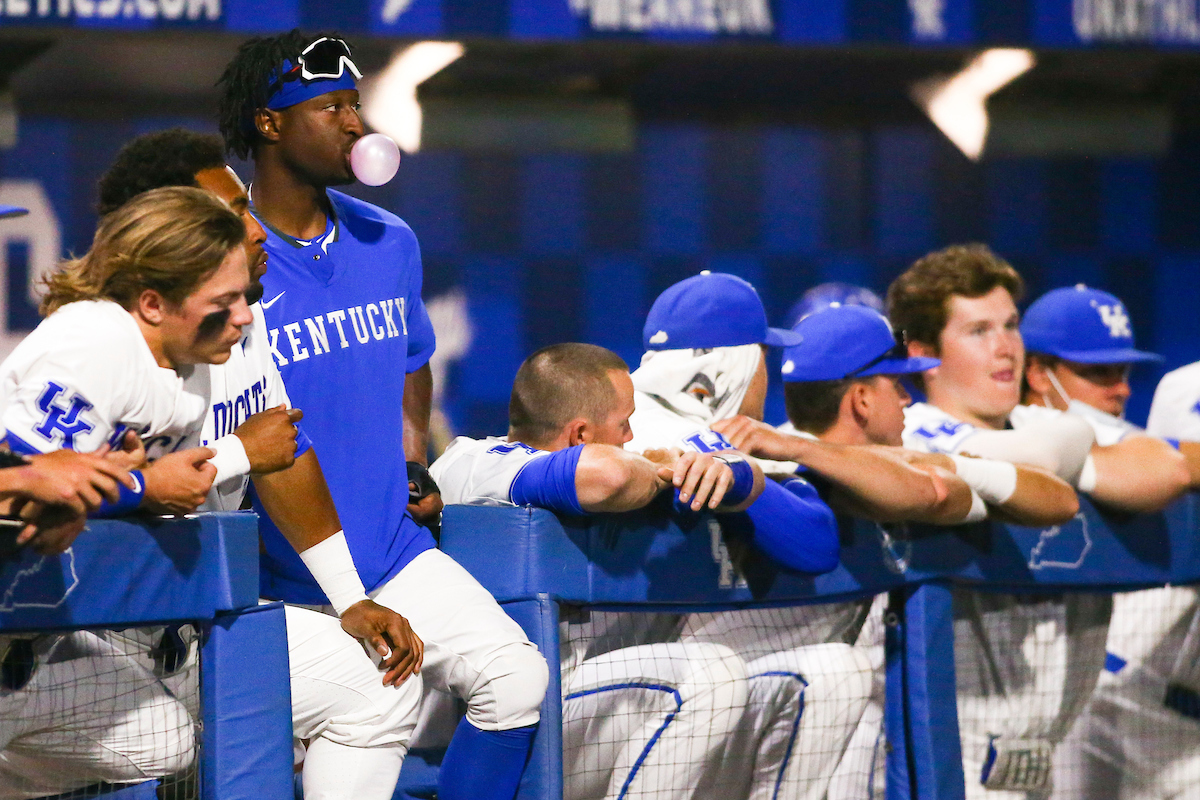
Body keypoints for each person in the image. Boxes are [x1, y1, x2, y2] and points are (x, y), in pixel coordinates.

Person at [218, 31, 548, 800]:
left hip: (393, 550)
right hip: (281, 577)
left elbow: (412, 359)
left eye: (355, 105)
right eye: (330, 106)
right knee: (377, 702)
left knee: (517, 677)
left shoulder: (386, 238)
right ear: (270, 124)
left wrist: (409, 458)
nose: (355, 124)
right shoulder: (230, 259)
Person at [96, 129, 427, 800]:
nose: (254, 230)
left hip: (195, 625)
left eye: (245, 207)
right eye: (228, 217)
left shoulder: (241, 323)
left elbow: (283, 455)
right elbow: (85, 496)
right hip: (95, 642)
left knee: (377, 684)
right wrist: (238, 452)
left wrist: (349, 599)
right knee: (164, 740)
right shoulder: (101, 343)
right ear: (167, 233)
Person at [884, 244, 1188, 799]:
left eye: (1011, 325)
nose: (1005, 348)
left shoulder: (1032, 423)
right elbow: (1044, 456)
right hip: (947, 754)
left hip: (1040, 763)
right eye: (978, 331)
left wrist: (1070, 459)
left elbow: (1163, 467)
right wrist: (1076, 453)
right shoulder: (913, 433)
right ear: (924, 353)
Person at [0, 186, 251, 798]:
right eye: (225, 301)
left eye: (245, 296)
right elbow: (20, 505)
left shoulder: (186, 367)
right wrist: (140, 485)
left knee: (163, 739)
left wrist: (130, 490)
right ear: (152, 302)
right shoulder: (96, 341)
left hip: (39, 643)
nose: (244, 316)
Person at [432, 342, 753, 800]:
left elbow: (750, 480)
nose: (629, 436)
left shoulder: (596, 461)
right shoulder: (471, 464)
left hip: (565, 710)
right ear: (580, 433)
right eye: (623, 423)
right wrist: (661, 471)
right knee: (712, 672)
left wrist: (719, 468)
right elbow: (609, 476)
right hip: (481, 727)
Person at [626, 271, 866, 800]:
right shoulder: (694, 439)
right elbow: (816, 543)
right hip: (593, 708)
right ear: (733, 365)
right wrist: (745, 477)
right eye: (763, 355)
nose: (768, 374)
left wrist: (746, 476)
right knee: (720, 674)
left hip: (622, 704)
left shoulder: (611, 418)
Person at [1015, 284, 1200, 800]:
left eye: (1122, 372)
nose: (1118, 388)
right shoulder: (1019, 434)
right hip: (1019, 699)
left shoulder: (1128, 453)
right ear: (1037, 372)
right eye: (1097, 373)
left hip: (1086, 689)